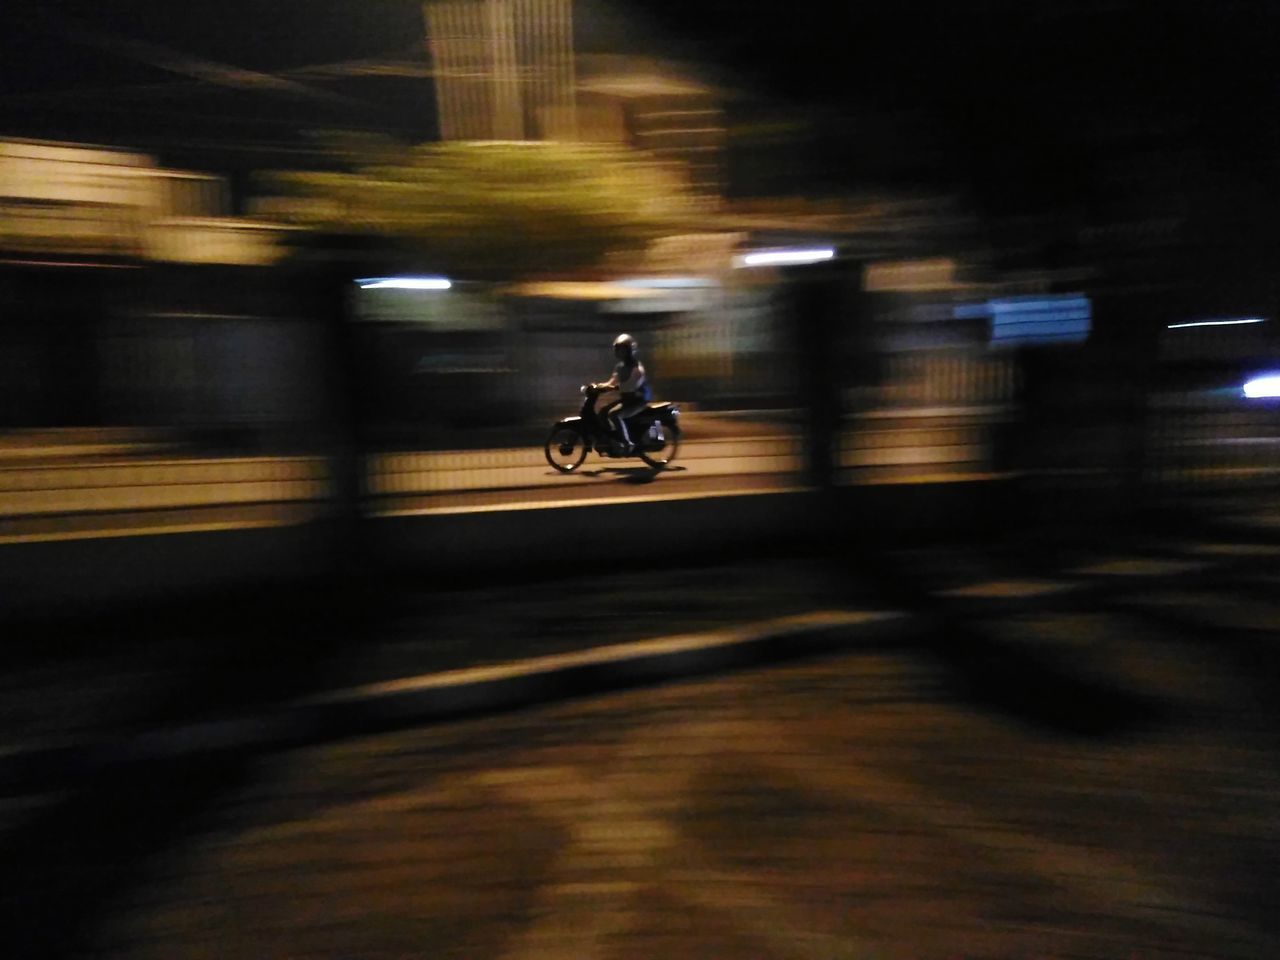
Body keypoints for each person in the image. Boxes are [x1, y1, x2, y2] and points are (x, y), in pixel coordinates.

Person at [598, 333, 651, 453]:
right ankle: (612, 439)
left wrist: (614, 388)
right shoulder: (620, 367)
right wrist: (599, 386)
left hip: (638, 401)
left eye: (623, 350)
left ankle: (627, 443)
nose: (620, 352)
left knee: (614, 415)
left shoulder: (637, 368)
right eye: (619, 349)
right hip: (627, 400)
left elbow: (630, 385)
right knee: (602, 412)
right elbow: (612, 380)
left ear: (629, 351)